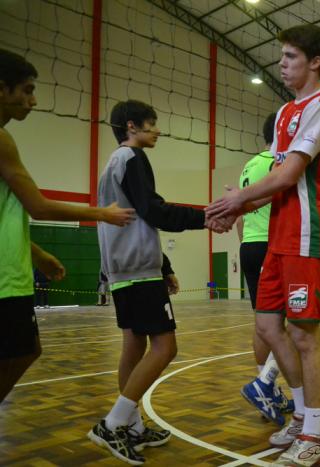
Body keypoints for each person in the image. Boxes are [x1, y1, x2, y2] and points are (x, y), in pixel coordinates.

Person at [206, 24, 320, 466]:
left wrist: (236, 197)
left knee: (304, 334)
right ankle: (306, 416)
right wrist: (238, 210)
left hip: (310, 235)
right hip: (279, 237)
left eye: (290, 57)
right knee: (268, 328)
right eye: (281, 56)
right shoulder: (285, 115)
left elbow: (287, 177)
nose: (281, 64)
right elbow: (278, 184)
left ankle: (314, 432)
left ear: (314, 62)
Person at [0, 49, 134, 404]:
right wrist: (103, 214)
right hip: (3, 281)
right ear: (2, 89)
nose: (33, 100)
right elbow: (37, 205)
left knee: (26, 350)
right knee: (25, 351)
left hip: (12, 270)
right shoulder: (1, 139)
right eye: (26, 90)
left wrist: (38, 254)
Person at [88, 99, 214, 465]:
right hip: (137, 270)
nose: (158, 129)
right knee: (165, 348)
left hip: (123, 269)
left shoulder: (113, 164)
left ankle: (134, 426)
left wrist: (165, 265)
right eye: (152, 123)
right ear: (132, 126)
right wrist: (208, 216)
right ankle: (112, 424)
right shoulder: (132, 159)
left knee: (133, 345)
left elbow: (140, 219)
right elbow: (155, 211)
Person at [236, 113, 293, 420]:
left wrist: (245, 242)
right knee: (291, 323)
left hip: (250, 245)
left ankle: (266, 389)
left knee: (264, 321)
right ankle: (265, 385)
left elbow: (243, 216)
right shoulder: (277, 162)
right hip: (271, 246)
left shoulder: (249, 164)